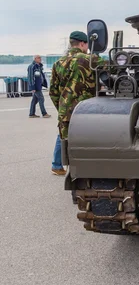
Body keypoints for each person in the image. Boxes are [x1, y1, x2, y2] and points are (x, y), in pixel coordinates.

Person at [49, 31, 99, 176]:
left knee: (63, 137)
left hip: (65, 110)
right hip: (86, 110)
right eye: (87, 45)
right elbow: (113, 69)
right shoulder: (90, 59)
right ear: (83, 43)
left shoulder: (58, 63)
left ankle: (57, 165)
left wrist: (62, 107)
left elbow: (53, 91)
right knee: (89, 138)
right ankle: (84, 170)